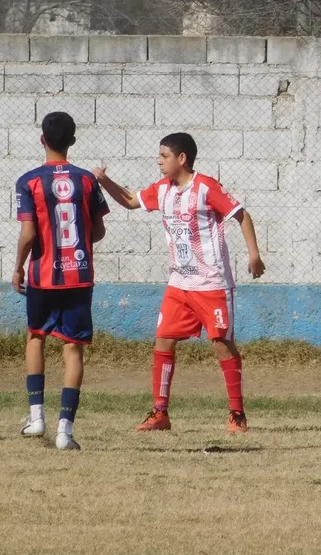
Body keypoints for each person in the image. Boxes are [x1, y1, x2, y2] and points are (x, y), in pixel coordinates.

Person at [93, 132, 265, 433]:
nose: (159, 161)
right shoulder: (163, 190)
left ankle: (237, 414)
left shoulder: (206, 187)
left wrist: (254, 256)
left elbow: (242, 216)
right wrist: (104, 181)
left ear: (181, 158)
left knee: (222, 345)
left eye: (164, 156)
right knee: (163, 340)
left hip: (211, 283)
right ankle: (160, 412)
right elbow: (132, 200)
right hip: (179, 283)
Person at [13, 111, 109, 451]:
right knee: (73, 348)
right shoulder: (86, 181)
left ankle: (36, 417)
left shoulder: (29, 181)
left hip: (43, 276)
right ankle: (65, 432)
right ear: (72, 141)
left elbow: (27, 233)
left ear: (42, 139)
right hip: (79, 277)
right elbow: (98, 230)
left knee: (35, 336)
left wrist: (18, 267)